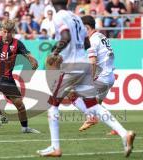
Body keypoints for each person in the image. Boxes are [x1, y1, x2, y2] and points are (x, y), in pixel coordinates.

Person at [72, 15, 136, 157]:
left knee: (71, 92)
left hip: (101, 77)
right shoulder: (101, 36)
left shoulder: (91, 40)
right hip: (109, 76)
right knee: (97, 105)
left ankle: (90, 117)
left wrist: (90, 78)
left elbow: (93, 61)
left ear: (86, 27)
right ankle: (119, 131)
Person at [37, 0, 94, 157]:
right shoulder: (75, 16)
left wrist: (56, 52)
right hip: (82, 63)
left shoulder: (59, 17)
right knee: (77, 96)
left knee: (53, 103)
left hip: (71, 65)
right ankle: (121, 131)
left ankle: (56, 147)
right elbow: (86, 42)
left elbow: (66, 37)